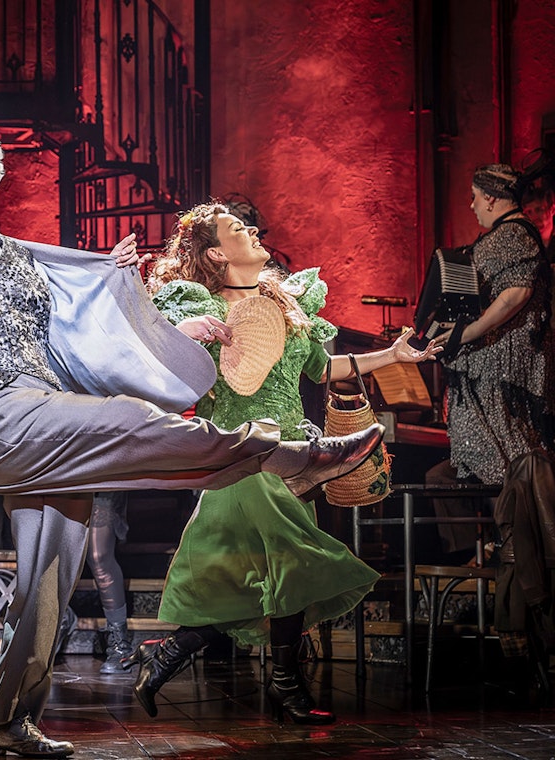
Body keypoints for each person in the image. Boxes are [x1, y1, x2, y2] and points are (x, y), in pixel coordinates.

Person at [0, 115, 384, 758]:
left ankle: (4, 722)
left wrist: (126, 294)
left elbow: (78, 325)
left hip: (46, 409)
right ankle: (281, 455)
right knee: (127, 418)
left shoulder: (17, 255)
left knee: (48, 580)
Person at [130, 202, 440, 724]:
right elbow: (149, 358)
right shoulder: (195, 305)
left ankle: (174, 658)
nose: (252, 230)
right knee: (294, 562)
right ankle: (284, 685)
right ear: (214, 253)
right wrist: (189, 331)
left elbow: (323, 368)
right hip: (238, 456)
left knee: (262, 580)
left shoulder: (286, 304)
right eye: (236, 229)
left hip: (297, 458)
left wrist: (392, 356)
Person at [433, 163, 555, 695]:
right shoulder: (502, 238)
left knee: (509, 470)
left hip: (500, 369)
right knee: (449, 475)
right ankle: (485, 555)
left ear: (488, 197)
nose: (471, 206)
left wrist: (465, 332)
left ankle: (512, 579)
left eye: (474, 197)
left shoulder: (512, 236)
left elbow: (515, 296)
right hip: (487, 368)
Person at [85, 492, 134, 673]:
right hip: (59, 476)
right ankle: (61, 619)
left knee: (99, 556)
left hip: (101, 476)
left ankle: (120, 645)